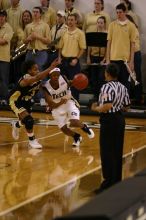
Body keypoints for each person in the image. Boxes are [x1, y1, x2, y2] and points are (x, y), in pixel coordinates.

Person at [91, 63, 130, 192]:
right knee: (117, 152)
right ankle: (116, 182)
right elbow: (127, 107)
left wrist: (96, 108)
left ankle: (107, 184)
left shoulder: (106, 87)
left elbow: (107, 106)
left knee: (107, 152)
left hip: (109, 121)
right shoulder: (122, 87)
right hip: (120, 119)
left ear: (107, 73)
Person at [9, 59, 59, 149]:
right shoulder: (26, 79)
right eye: (35, 69)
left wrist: (49, 102)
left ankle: (16, 125)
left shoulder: (38, 80)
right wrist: (51, 67)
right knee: (29, 120)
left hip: (27, 101)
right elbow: (37, 78)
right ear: (29, 71)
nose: (38, 71)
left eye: (38, 69)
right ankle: (32, 141)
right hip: (16, 100)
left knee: (25, 121)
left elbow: (42, 87)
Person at [42, 67, 95, 152]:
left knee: (74, 122)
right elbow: (51, 104)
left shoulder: (63, 79)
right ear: (50, 76)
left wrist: (77, 82)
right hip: (56, 107)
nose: (56, 77)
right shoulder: (46, 87)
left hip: (69, 103)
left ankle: (86, 128)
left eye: (57, 75)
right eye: (54, 75)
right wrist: (61, 102)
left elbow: (71, 83)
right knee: (63, 129)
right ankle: (76, 137)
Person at [106, 3, 136, 91]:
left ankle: (125, 103)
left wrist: (131, 62)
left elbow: (132, 45)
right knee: (113, 84)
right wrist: (108, 59)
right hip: (113, 59)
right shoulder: (112, 25)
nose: (118, 14)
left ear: (125, 12)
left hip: (125, 61)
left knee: (125, 84)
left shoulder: (131, 26)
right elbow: (109, 43)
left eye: (120, 12)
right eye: (117, 12)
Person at [58, 13, 86, 101]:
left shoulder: (80, 33)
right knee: (62, 83)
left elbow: (82, 48)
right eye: (68, 20)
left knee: (74, 84)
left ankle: (74, 103)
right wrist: (59, 58)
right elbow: (60, 47)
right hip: (64, 60)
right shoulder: (64, 32)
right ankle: (63, 102)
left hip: (73, 61)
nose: (70, 22)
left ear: (76, 21)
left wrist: (76, 59)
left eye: (72, 20)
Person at [0, 9, 13, 104]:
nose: (1, 18)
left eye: (2, 16)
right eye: (0, 16)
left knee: (3, 79)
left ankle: (5, 98)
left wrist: (1, 39)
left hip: (4, 58)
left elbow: (3, 41)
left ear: (5, 17)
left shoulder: (8, 28)